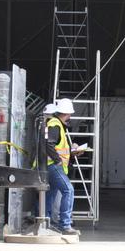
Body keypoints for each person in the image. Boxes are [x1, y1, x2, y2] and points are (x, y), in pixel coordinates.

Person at [44, 98, 81, 236]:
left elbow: (57, 146)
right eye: (69, 115)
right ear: (66, 114)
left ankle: (46, 223)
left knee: (50, 194)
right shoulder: (55, 125)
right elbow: (49, 144)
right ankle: (65, 225)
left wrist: (73, 152)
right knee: (68, 190)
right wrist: (58, 160)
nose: (70, 117)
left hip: (51, 165)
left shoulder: (56, 124)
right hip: (53, 166)